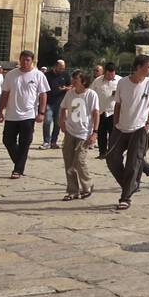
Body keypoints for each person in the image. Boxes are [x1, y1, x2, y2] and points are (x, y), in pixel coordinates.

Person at [106, 55, 149, 211]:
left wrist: (148, 124)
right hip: (121, 127)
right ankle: (131, 185)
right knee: (112, 159)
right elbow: (118, 105)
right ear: (138, 67)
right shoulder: (123, 82)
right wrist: (115, 124)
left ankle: (125, 197)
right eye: (148, 67)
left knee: (133, 163)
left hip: (139, 128)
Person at [0, 50, 50, 178]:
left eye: (28, 60)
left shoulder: (38, 75)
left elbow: (43, 94)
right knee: (7, 140)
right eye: (23, 59)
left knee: (25, 142)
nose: (25, 62)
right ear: (19, 60)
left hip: (28, 115)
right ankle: (20, 162)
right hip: (11, 114)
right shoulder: (11, 75)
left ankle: (18, 169)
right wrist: (0, 111)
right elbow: (5, 93)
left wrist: (41, 112)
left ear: (32, 61)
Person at [59, 70, 100, 201]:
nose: (73, 81)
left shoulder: (91, 94)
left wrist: (95, 132)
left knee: (79, 161)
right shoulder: (70, 93)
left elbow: (96, 113)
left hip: (84, 133)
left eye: (76, 79)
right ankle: (73, 190)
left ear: (83, 81)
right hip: (70, 131)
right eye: (73, 79)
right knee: (69, 161)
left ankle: (87, 185)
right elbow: (63, 108)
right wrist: (62, 122)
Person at [41, 59, 71, 149]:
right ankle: (46, 141)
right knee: (47, 121)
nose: (62, 70)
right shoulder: (47, 75)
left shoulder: (65, 75)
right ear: (56, 66)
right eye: (61, 68)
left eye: (63, 68)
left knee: (58, 123)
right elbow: (43, 89)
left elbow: (70, 86)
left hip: (60, 102)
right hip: (49, 102)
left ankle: (54, 141)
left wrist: (65, 88)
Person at [94, 62, 120, 158]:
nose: (110, 76)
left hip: (113, 111)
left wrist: (117, 93)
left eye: (112, 74)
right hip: (101, 111)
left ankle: (112, 152)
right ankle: (102, 152)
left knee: (113, 134)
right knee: (101, 134)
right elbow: (92, 93)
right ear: (105, 72)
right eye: (108, 74)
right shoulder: (97, 81)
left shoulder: (120, 80)